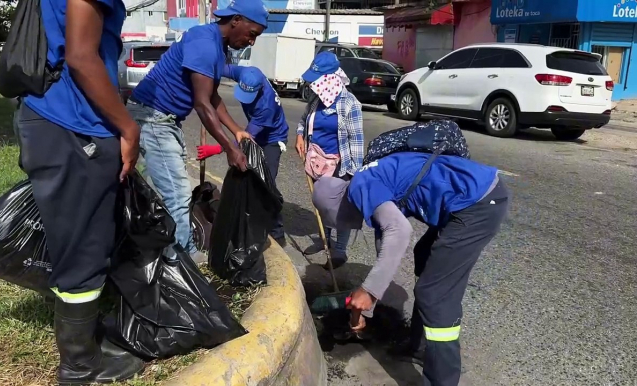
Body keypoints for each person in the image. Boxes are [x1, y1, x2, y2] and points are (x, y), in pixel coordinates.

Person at [16, 0, 144, 383]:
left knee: (80, 237)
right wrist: (128, 127)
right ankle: (79, 365)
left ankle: (85, 344)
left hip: (51, 118)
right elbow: (81, 56)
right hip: (74, 124)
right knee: (84, 246)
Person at [311, 152, 510, 386]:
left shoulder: (360, 188)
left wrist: (368, 291)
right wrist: (365, 308)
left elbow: (400, 232)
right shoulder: (365, 181)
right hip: (463, 200)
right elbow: (385, 251)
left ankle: (441, 380)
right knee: (423, 257)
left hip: (478, 203)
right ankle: (418, 347)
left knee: (434, 296)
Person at [127, 0, 268, 264]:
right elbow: (202, 104)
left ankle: (160, 249)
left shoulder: (217, 46)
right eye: (252, 34)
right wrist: (230, 149)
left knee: (161, 191)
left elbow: (213, 97)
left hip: (165, 121)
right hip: (152, 118)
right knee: (177, 194)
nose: (252, 42)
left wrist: (237, 130)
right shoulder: (204, 42)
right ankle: (184, 259)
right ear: (236, 20)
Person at [196, 65, 289, 247]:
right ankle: (247, 222)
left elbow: (243, 138)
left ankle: (277, 233)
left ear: (259, 89)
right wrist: (205, 74)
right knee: (244, 179)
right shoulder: (246, 73)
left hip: (271, 140)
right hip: (254, 135)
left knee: (265, 186)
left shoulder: (266, 107)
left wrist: (215, 149)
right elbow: (221, 68)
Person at [295, 51, 364, 269]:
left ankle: (339, 251)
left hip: (339, 164)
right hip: (316, 160)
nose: (313, 84)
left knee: (339, 207)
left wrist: (354, 173)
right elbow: (304, 119)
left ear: (330, 78)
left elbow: (357, 141)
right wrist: (299, 135)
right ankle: (326, 241)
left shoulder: (349, 104)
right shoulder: (317, 99)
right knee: (322, 204)